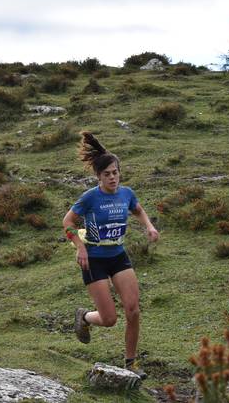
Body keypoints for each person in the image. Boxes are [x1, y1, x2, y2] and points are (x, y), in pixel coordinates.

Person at [62, 131, 159, 378]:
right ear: (99, 176)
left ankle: (131, 363)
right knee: (109, 319)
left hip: (118, 256)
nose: (113, 178)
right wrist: (80, 247)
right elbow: (68, 222)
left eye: (115, 172)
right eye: (107, 174)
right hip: (94, 259)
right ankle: (84, 316)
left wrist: (149, 226)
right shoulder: (90, 198)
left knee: (133, 310)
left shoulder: (126, 193)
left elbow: (138, 210)